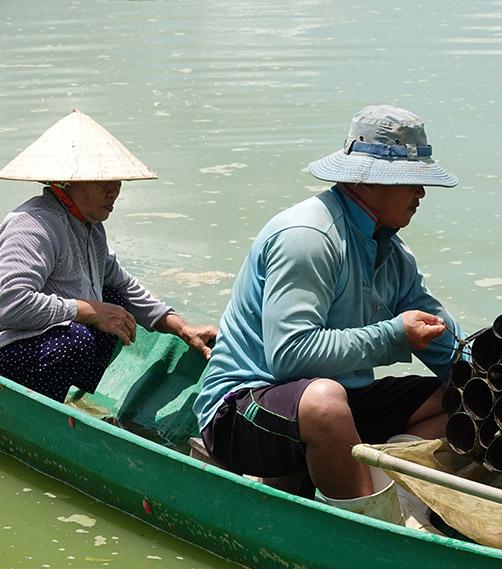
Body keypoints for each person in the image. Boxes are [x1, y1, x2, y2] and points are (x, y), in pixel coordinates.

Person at [194, 105, 462, 501]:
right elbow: (291, 357)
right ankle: (367, 519)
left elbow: (447, 342)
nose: (420, 194)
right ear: (368, 182)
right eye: (410, 182)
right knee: (324, 403)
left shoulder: (392, 250)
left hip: (341, 401)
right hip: (245, 408)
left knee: (465, 399)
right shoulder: (308, 237)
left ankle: (380, 483)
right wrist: (395, 336)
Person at [0, 110, 217, 403]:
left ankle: (65, 399)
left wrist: (182, 327)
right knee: (76, 340)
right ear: (68, 182)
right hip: (11, 350)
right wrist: (86, 310)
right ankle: (36, 408)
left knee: (114, 300)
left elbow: (125, 286)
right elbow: (9, 303)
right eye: (102, 181)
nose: (113, 191)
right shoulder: (34, 224)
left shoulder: (90, 228)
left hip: (47, 345)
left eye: (116, 181)